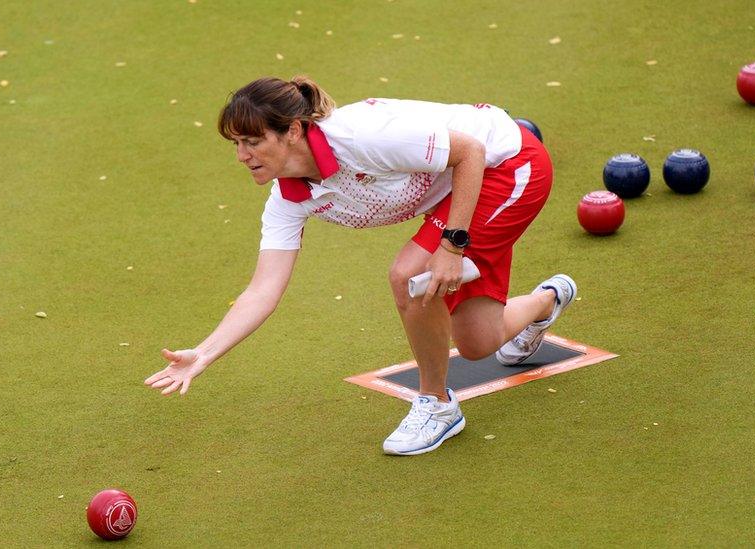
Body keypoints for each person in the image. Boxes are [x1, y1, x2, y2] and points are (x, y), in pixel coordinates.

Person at [144, 76, 577, 456]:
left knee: (409, 273)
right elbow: (263, 290)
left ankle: (437, 404)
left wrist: (453, 243)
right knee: (478, 344)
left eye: (253, 141)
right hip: (460, 190)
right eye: (236, 144)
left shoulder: (362, 138)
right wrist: (204, 353)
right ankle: (547, 301)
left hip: (509, 166)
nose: (241, 155)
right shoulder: (287, 200)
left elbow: (470, 152)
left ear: (293, 131)